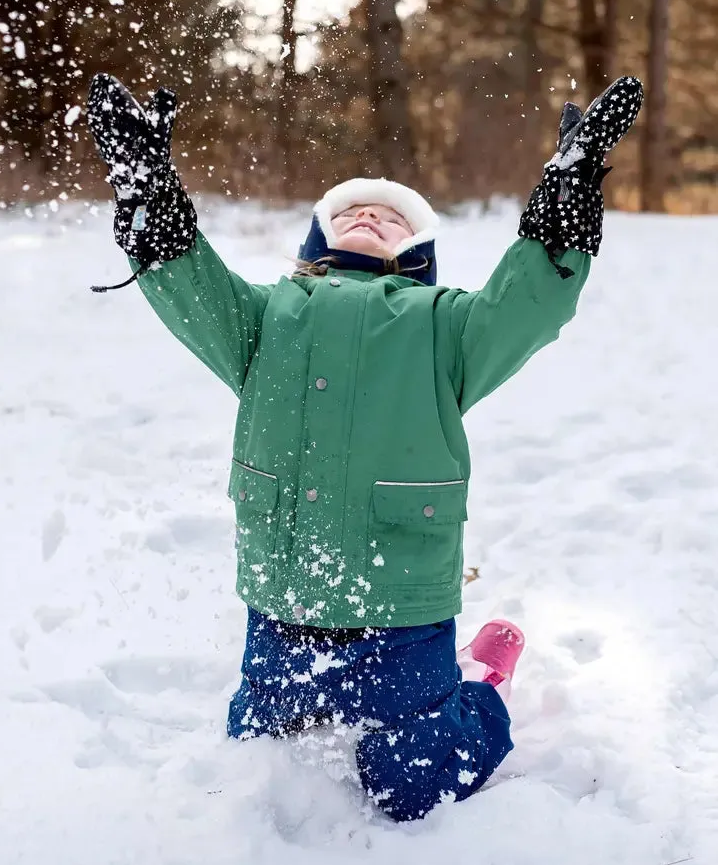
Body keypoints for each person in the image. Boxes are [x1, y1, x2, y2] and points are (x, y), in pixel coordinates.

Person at [86, 73, 643, 821]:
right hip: (281, 609)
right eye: (354, 210)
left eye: (393, 216)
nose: (373, 214)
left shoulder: (444, 326)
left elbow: (527, 307)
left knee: (413, 784)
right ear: (319, 240)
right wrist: (149, 189)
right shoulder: (264, 318)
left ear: (417, 253)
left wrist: (565, 194)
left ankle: (480, 686)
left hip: (403, 613)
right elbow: (189, 285)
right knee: (252, 749)